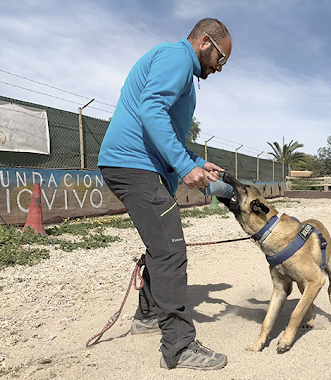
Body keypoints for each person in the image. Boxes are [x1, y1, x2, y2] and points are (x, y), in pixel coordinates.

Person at [97, 18, 232, 370]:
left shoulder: (176, 64)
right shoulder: (176, 58)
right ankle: (178, 347)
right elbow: (151, 109)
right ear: (205, 42)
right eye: (221, 59)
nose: (218, 69)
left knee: (160, 245)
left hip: (135, 164)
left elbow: (165, 130)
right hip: (133, 164)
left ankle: (146, 317)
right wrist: (185, 168)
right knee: (171, 250)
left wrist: (198, 161)